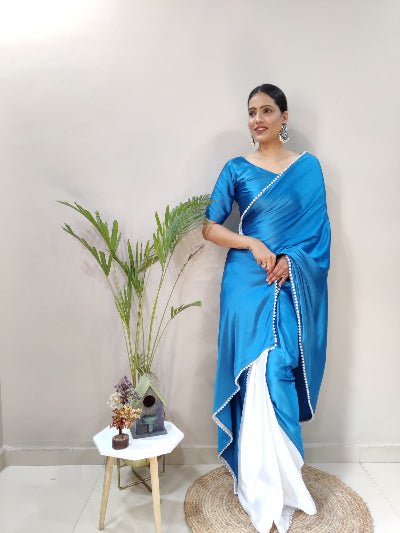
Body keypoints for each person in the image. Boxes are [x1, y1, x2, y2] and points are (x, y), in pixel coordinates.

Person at [202, 83, 331, 533]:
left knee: (279, 367)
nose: (257, 119)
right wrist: (252, 242)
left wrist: (291, 262)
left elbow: (318, 235)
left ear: (284, 116)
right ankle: (257, 484)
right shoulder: (236, 168)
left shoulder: (308, 168)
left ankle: (286, 483)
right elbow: (210, 227)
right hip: (246, 280)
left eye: (267, 111)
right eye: (252, 112)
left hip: (288, 280)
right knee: (253, 370)